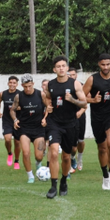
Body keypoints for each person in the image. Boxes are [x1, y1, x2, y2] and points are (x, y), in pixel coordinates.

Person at [41, 56, 87, 199]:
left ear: (67, 68)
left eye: (63, 66)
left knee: (66, 156)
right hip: (54, 123)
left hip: (70, 124)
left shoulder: (75, 84)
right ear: (54, 69)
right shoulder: (51, 85)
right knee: (54, 152)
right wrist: (48, 106)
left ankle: (63, 181)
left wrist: (72, 100)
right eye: (58, 66)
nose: (61, 68)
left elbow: (84, 103)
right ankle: (53, 186)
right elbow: (47, 96)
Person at [84, 53, 110, 190]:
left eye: (108, 64)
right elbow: (81, 97)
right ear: (99, 65)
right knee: (102, 148)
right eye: (103, 65)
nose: (106, 67)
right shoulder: (92, 79)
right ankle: (105, 176)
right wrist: (92, 100)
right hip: (97, 117)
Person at [12, 74, 47, 183]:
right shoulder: (18, 96)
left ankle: (38, 163)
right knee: (26, 153)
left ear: (33, 84)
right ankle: (30, 176)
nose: (27, 88)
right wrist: (15, 120)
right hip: (25, 129)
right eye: (25, 86)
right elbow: (12, 110)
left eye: (29, 86)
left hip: (39, 129)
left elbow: (49, 108)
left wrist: (45, 118)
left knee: (39, 156)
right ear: (22, 85)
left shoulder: (40, 94)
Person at [0, 75, 22, 170]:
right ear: (8, 83)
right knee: (7, 139)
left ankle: (17, 161)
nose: (12, 84)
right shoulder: (3, 94)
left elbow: (25, 105)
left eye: (14, 83)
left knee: (17, 142)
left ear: (17, 84)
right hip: (6, 120)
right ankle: (10, 153)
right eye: (10, 82)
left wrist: (20, 108)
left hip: (18, 121)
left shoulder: (20, 94)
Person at [68, 68, 87, 174]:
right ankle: (72, 160)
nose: (71, 76)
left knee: (80, 141)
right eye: (69, 75)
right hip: (69, 117)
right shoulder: (64, 86)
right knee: (71, 143)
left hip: (80, 117)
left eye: (73, 74)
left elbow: (85, 102)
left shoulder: (81, 86)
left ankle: (79, 159)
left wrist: (81, 111)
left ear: (76, 75)